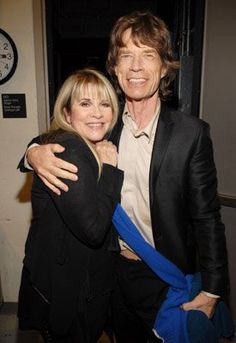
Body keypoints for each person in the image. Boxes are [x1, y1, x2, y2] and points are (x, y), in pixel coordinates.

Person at [19, 11, 230, 343]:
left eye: (148, 55)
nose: (136, 66)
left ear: (164, 68)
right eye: (126, 55)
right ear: (115, 68)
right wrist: (33, 152)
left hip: (163, 275)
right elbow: (59, 132)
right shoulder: (102, 122)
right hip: (110, 273)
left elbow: (207, 217)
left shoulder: (191, 134)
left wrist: (214, 291)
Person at [17, 68, 124, 343]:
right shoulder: (72, 150)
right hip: (70, 290)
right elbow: (93, 229)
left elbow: (41, 140)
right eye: (85, 104)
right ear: (67, 113)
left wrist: (31, 151)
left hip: (64, 282)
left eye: (105, 104)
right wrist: (111, 170)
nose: (98, 113)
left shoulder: (81, 143)